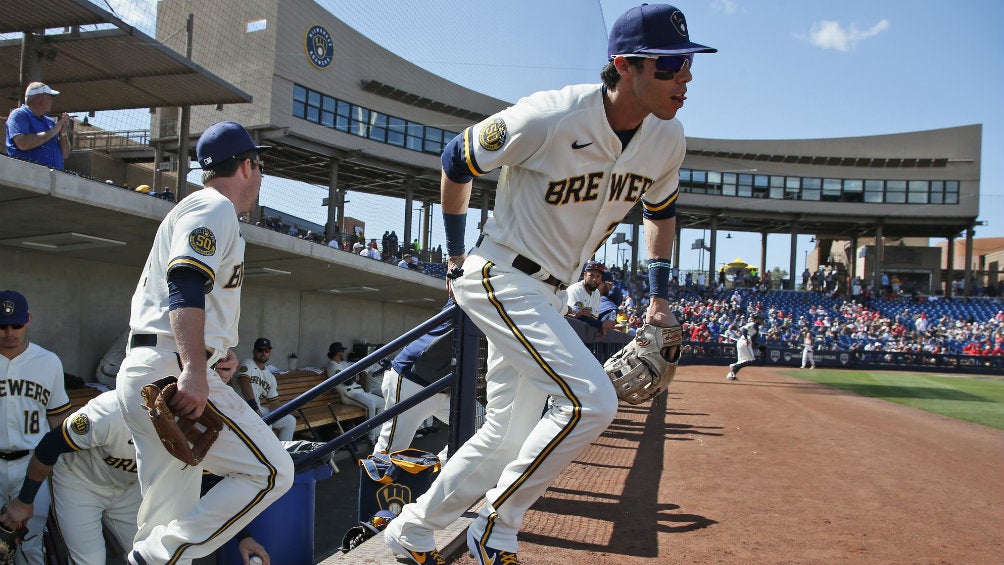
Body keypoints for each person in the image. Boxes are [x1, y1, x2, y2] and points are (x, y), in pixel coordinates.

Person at [383, 5, 712, 564]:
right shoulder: (551, 116)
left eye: (689, 63)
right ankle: (497, 524)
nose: (686, 75)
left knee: (505, 437)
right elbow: (456, 159)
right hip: (501, 274)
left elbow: (660, 211)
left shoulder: (667, 138)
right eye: (671, 64)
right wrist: (456, 254)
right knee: (591, 401)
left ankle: (412, 530)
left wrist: (659, 295)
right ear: (625, 65)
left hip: (552, 292)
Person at [114, 121, 293, 565]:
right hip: (170, 369)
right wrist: (195, 366)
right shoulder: (213, 206)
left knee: (165, 513)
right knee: (271, 472)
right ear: (248, 166)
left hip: (156, 364)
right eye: (260, 166)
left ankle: (150, 556)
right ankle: (149, 560)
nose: (261, 176)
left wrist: (213, 354)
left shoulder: (203, 208)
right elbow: (185, 283)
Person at [0, 290, 72, 565]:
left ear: (28, 320)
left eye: (16, 324)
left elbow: (57, 420)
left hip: (32, 464)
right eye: (2, 325)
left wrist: (67, 467)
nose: (9, 331)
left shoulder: (48, 361)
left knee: (30, 543)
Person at [374, 301, 455, 462]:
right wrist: (451, 277)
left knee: (483, 427)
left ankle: (439, 470)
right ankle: (377, 486)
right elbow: (457, 279)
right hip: (412, 381)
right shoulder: (474, 289)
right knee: (390, 453)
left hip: (444, 386)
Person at [233, 338, 297, 441]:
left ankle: (283, 453)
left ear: (269, 352)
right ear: (254, 351)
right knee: (267, 422)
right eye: (260, 350)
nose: (263, 353)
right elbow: (245, 384)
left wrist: (284, 412)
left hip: (256, 409)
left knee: (290, 421)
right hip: (240, 406)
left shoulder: (270, 376)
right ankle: (267, 456)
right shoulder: (247, 363)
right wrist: (255, 408)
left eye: (266, 350)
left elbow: (274, 403)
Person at [4, 82, 72, 170]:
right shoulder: (19, 114)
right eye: (50, 96)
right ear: (39, 98)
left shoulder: (50, 122)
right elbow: (22, 143)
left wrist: (63, 133)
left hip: (51, 179)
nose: (52, 100)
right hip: (24, 177)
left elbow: (65, 154)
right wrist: (53, 131)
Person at [326, 342, 383, 444]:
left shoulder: (342, 364)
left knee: (383, 403)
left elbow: (356, 374)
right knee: (371, 405)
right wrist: (352, 375)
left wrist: (352, 375)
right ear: (339, 352)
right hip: (349, 394)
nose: (344, 353)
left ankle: (377, 433)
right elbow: (348, 381)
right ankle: (371, 437)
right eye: (342, 351)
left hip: (359, 392)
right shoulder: (331, 366)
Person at [727, 315, 761, 381]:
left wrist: (757, 346)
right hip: (745, 341)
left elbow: (753, 340)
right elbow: (744, 330)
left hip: (744, 341)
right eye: (759, 319)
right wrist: (746, 339)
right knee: (751, 360)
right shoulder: (752, 324)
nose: (761, 320)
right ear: (755, 319)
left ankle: (732, 375)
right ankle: (734, 366)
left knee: (741, 361)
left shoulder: (755, 326)